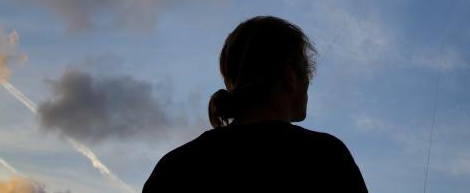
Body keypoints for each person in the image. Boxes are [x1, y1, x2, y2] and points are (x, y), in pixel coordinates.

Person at [143, 15, 368, 192]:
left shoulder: (174, 167)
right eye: (306, 72)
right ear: (290, 78)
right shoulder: (326, 158)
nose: (308, 82)